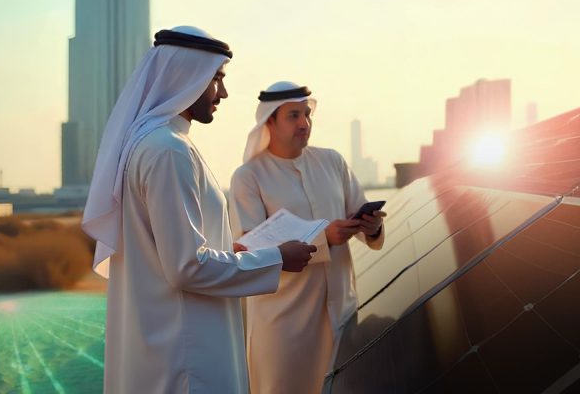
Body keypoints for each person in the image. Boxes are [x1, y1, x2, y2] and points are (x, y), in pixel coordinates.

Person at [81, 28, 317, 394]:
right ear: (186, 77)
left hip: (173, 340)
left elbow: (172, 249)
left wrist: (227, 250)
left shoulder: (158, 142)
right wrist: (277, 259)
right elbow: (187, 266)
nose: (222, 93)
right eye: (216, 79)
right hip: (186, 354)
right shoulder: (168, 150)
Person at [229, 81, 386, 394]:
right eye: (293, 116)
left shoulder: (333, 162)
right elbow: (248, 251)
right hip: (283, 328)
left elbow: (365, 220)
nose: (304, 123)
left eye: (307, 115)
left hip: (342, 318)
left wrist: (371, 228)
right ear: (269, 121)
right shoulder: (248, 177)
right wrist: (324, 239)